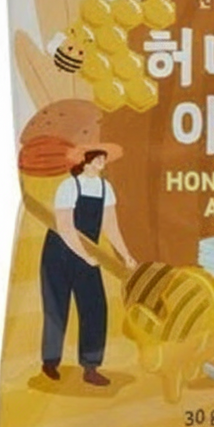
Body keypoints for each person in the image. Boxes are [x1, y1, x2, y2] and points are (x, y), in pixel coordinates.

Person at [40, 144, 138, 386]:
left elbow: (110, 226)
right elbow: (65, 226)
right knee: (56, 307)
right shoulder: (69, 186)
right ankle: (50, 362)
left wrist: (125, 255)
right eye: (98, 158)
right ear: (86, 161)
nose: (102, 161)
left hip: (88, 253)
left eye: (104, 158)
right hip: (58, 253)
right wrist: (84, 256)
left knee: (95, 307)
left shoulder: (105, 188)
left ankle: (91, 366)